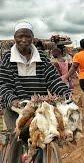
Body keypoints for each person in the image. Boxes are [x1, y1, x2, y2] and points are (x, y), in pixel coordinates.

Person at [0, 22, 70, 163]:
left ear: (32, 38)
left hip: (39, 109)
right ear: (15, 38)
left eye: (27, 36)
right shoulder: (8, 58)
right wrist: (14, 100)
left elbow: (53, 80)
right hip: (15, 110)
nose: (24, 40)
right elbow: (3, 84)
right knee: (17, 141)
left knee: (46, 140)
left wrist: (65, 94)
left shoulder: (42, 58)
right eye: (20, 36)